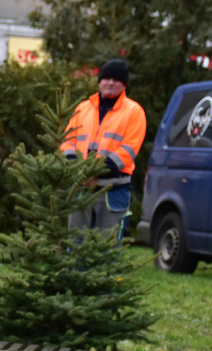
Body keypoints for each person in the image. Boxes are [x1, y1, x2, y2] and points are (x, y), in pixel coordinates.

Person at [60, 58, 146, 238]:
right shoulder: (83, 108)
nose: (111, 83)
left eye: (117, 79)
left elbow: (129, 150)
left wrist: (97, 173)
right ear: (100, 81)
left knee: (108, 247)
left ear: (124, 85)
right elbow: (67, 141)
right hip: (80, 188)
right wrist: (78, 169)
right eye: (107, 78)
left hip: (112, 191)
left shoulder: (134, 111)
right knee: (75, 245)